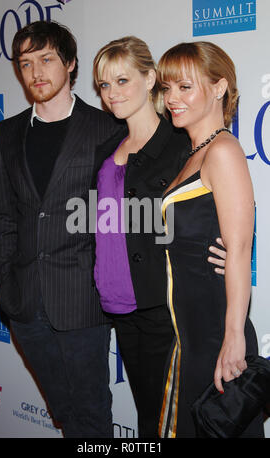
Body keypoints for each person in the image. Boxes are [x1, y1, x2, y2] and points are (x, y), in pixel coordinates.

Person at [0, 20, 121, 438]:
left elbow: (118, 220)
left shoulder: (106, 128)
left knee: (93, 416)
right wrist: (6, 284)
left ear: (70, 63)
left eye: (46, 59)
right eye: (26, 63)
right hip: (25, 302)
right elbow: (4, 214)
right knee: (64, 412)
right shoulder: (7, 131)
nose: (35, 73)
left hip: (83, 300)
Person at [92, 36, 227, 438]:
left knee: (165, 420)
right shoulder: (105, 146)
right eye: (103, 85)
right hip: (117, 305)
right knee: (146, 414)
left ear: (150, 79)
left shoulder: (178, 144)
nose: (112, 93)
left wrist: (225, 249)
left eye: (121, 80)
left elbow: (203, 206)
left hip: (161, 305)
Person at [157, 41, 264, 438]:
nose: (171, 99)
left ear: (219, 88)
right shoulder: (192, 154)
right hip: (191, 332)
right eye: (167, 88)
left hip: (218, 331)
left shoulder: (222, 151)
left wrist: (233, 337)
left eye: (184, 87)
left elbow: (238, 249)